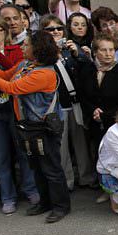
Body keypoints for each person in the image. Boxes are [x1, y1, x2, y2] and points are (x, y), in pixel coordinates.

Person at [0, 31, 71, 223]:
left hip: (43, 128)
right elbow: (3, 74)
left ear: (37, 49)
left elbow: (10, 88)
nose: (22, 47)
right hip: (28, 126)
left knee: (51, 168)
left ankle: (61, 206)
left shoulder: (44, 74)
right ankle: (45, 202)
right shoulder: (26, 65)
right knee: (36, 166)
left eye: (26, 45)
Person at [0, 15, 39, 214]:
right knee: (0, 157)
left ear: (5, 33)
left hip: (15, 109)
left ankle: (30, 190)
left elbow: (16, 74)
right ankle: (8, 196)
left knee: (23, 152)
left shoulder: (17, 51)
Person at [39, 14, 94, 190]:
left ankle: (86, 177)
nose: (55, 32)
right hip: (56, 106)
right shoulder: (41, 52)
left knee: (81, 144)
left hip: (75, 103)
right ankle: (67, 182)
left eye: (58, 28)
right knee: (61, 147)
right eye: (50, 29)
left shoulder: (70, 48)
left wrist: (78, 54)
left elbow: (87, 70)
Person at [76, 33, 118, 169]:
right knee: (98, 151)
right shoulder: (87, 69)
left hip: (115, 121)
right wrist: (93, 110)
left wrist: (105, 115)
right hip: (94, 120)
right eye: (103, 50)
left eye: (111, 50)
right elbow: (82, 95)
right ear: (95, 52)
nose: (108, 54)